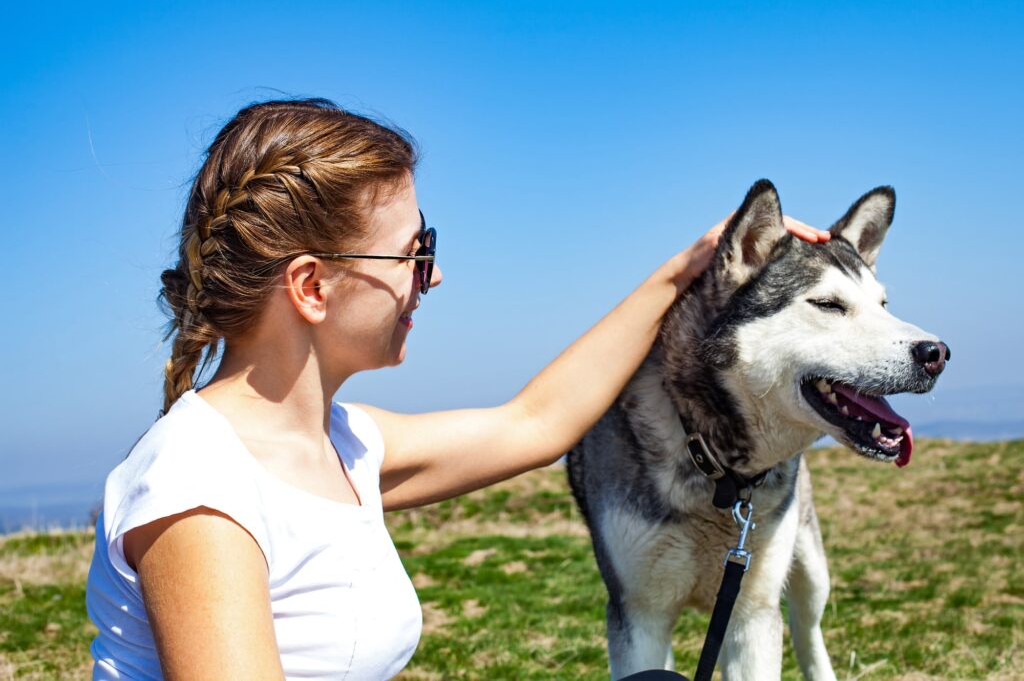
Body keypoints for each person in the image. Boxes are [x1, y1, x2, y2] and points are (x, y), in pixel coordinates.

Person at [85, 98, 830, 680]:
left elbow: (533, 425)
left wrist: (685, 269)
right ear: (312, 286)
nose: (432, 276)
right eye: (416, 252)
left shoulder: (342, 447)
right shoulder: (199, 488)